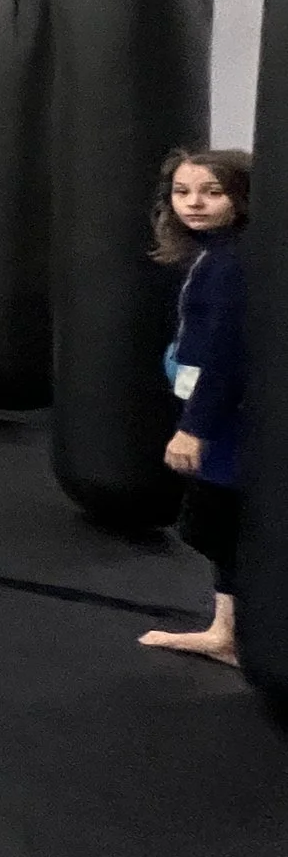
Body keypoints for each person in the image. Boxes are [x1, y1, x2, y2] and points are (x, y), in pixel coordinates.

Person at [140, 147, 255, 665]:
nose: (194, 203)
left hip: (226, 421)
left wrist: (194, 428)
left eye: (213, 192)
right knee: (218, 522)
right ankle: (226, 630)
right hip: (218, 414)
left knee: (218, 522)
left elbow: (227, 356)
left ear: (242, 197)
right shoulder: (217, 253)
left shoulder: (231, 263)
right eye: (182, 192)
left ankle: (231, 634)